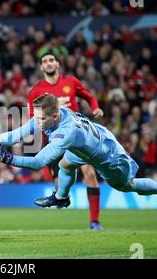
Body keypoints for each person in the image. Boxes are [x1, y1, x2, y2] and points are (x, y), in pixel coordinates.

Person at [0, 93, 157, 215]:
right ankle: (62, 197)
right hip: (85, 147)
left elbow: (39, 162)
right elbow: (19, 133)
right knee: (66, 164)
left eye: (41, 119)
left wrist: (4, 157)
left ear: (54, 116)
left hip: (107, 155)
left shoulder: (65, 132)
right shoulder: (50, 114)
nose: (36, 122)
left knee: (126, 186)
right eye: (35, 117)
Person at [27, 52, 104, 230]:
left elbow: (90, 97)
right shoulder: (36, 92)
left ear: (58, 64)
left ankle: (95, 221)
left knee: (90, 175)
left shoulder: (71, 83)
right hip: (55, 141)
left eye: (51, 60)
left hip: (77, 137)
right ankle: (63, 198)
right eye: (45, 61)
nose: (48, 63)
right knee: (60, 189)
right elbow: (33, 118)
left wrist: (96, 107)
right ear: (41, 67)